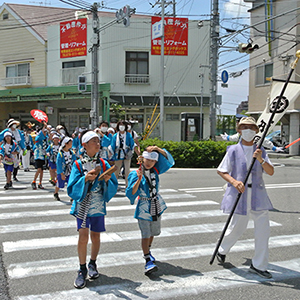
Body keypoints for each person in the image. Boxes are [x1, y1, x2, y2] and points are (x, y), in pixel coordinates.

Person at [216, 116, 274, 279]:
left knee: (263, 231)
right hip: (240, 195)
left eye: (251, 127)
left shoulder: (260, 150)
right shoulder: (233, 150)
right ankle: (222, 249)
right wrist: (234, 182)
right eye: (244, 127)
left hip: (258, 195)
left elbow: (270, 171)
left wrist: (261, 159)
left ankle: (259, 265)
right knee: (237, 228)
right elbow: (222, 170)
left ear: (256, 131)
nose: (248, 130)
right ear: (239, 130)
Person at [67, 130, 118, 289]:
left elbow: (113, 184)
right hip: (82, 205)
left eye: (98, 141)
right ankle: (82, 269)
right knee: (83, 236)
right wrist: (85, 179)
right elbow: (71, 188)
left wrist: (108, 180)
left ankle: (92, 264)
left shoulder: (104, 163)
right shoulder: (77, 164)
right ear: (84, 145)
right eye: (94, 141)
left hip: (97, 204)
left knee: (95, 236)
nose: (98, 143)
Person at [126, 146, 175, 275]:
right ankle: (147, 259)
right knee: (145, 233)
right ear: (141, 159)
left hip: (155, 203)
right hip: (143, 205)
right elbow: (130, 192)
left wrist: (158, 149)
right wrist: (139, 179)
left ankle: (148, 251)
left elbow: (170, 161)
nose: (149, 163)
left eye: (152, 161)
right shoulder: (134, 173)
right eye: (147, 160)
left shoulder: (155, 171)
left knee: (153, 232)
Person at [109, 120, 135, 188]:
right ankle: (114, 186)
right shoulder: (115, 135)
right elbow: (112, 145)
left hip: (126, 153)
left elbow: (132, 144)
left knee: (127, 171)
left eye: (123, 125)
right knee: (116, 171)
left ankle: (127, 186)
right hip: (118, 154)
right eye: (120, 125)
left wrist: (135, 151)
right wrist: (110, 153)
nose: (122, 127)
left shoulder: (128, 135)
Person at [54, 136, 76, 201]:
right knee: (60, 183)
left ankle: (72, 197)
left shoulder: (72, 152)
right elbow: (59, 164)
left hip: (70, 170)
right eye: (70, 143)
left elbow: (74, 162)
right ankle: (56, 192)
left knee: (71, 183)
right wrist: (61, 173)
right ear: (65, 144)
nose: (71, 144)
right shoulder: (60, 153)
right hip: (63, 171)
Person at [31, 122, 48, 190]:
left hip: (42, 155)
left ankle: (40, 183)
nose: (45, 133)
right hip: (38, 154)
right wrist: (44, 126)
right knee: (39, 169)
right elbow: (42, 132)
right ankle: (34, 181)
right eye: (44, 132)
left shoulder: (44, 138)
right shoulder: (38, 137)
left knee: (42, 170)